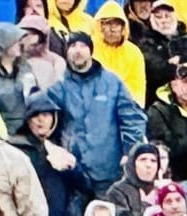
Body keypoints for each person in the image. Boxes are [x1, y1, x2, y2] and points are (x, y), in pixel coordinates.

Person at [48, 31, 146, 195]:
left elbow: (133, 118)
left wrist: (130, 152)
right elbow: (42, 118)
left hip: (108, 172)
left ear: (91, 50)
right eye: (72, 46)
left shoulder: (112, 82)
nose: (77, 50)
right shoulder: (58, 85)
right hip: (72, 173)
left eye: (83, 45)